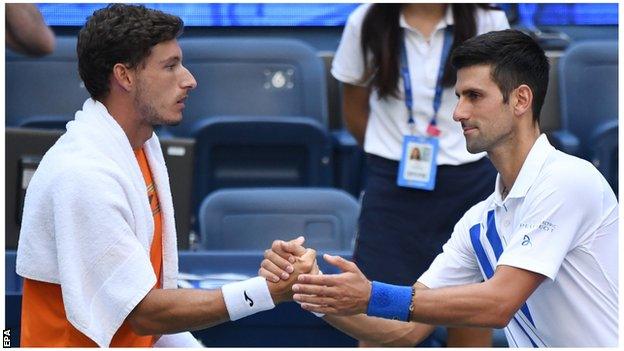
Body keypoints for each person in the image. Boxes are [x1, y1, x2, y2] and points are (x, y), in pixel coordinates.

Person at [261, 29, 618, 347]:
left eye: (474, 96)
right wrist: (310, 286)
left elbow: (498, 304)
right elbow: (403, 332)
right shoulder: (478, 222)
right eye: (458, 96)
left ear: (521, 100)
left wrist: (370, 294)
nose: (458, 112)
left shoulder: (567, 180)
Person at [15, 4, 316, 347]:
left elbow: (151, 326)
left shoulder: (142, 146)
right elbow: (144, 312)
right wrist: (265, 292)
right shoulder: (83, 175)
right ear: (125, 76)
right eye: (170, 66)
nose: (189, 80)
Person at [331, 3, 509, 346]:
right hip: (392, 188)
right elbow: (353, 107)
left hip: (469, 183)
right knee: (380, 320)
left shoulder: (488, 19)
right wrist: (390, 148)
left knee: (470, 318)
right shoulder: (366, 19)